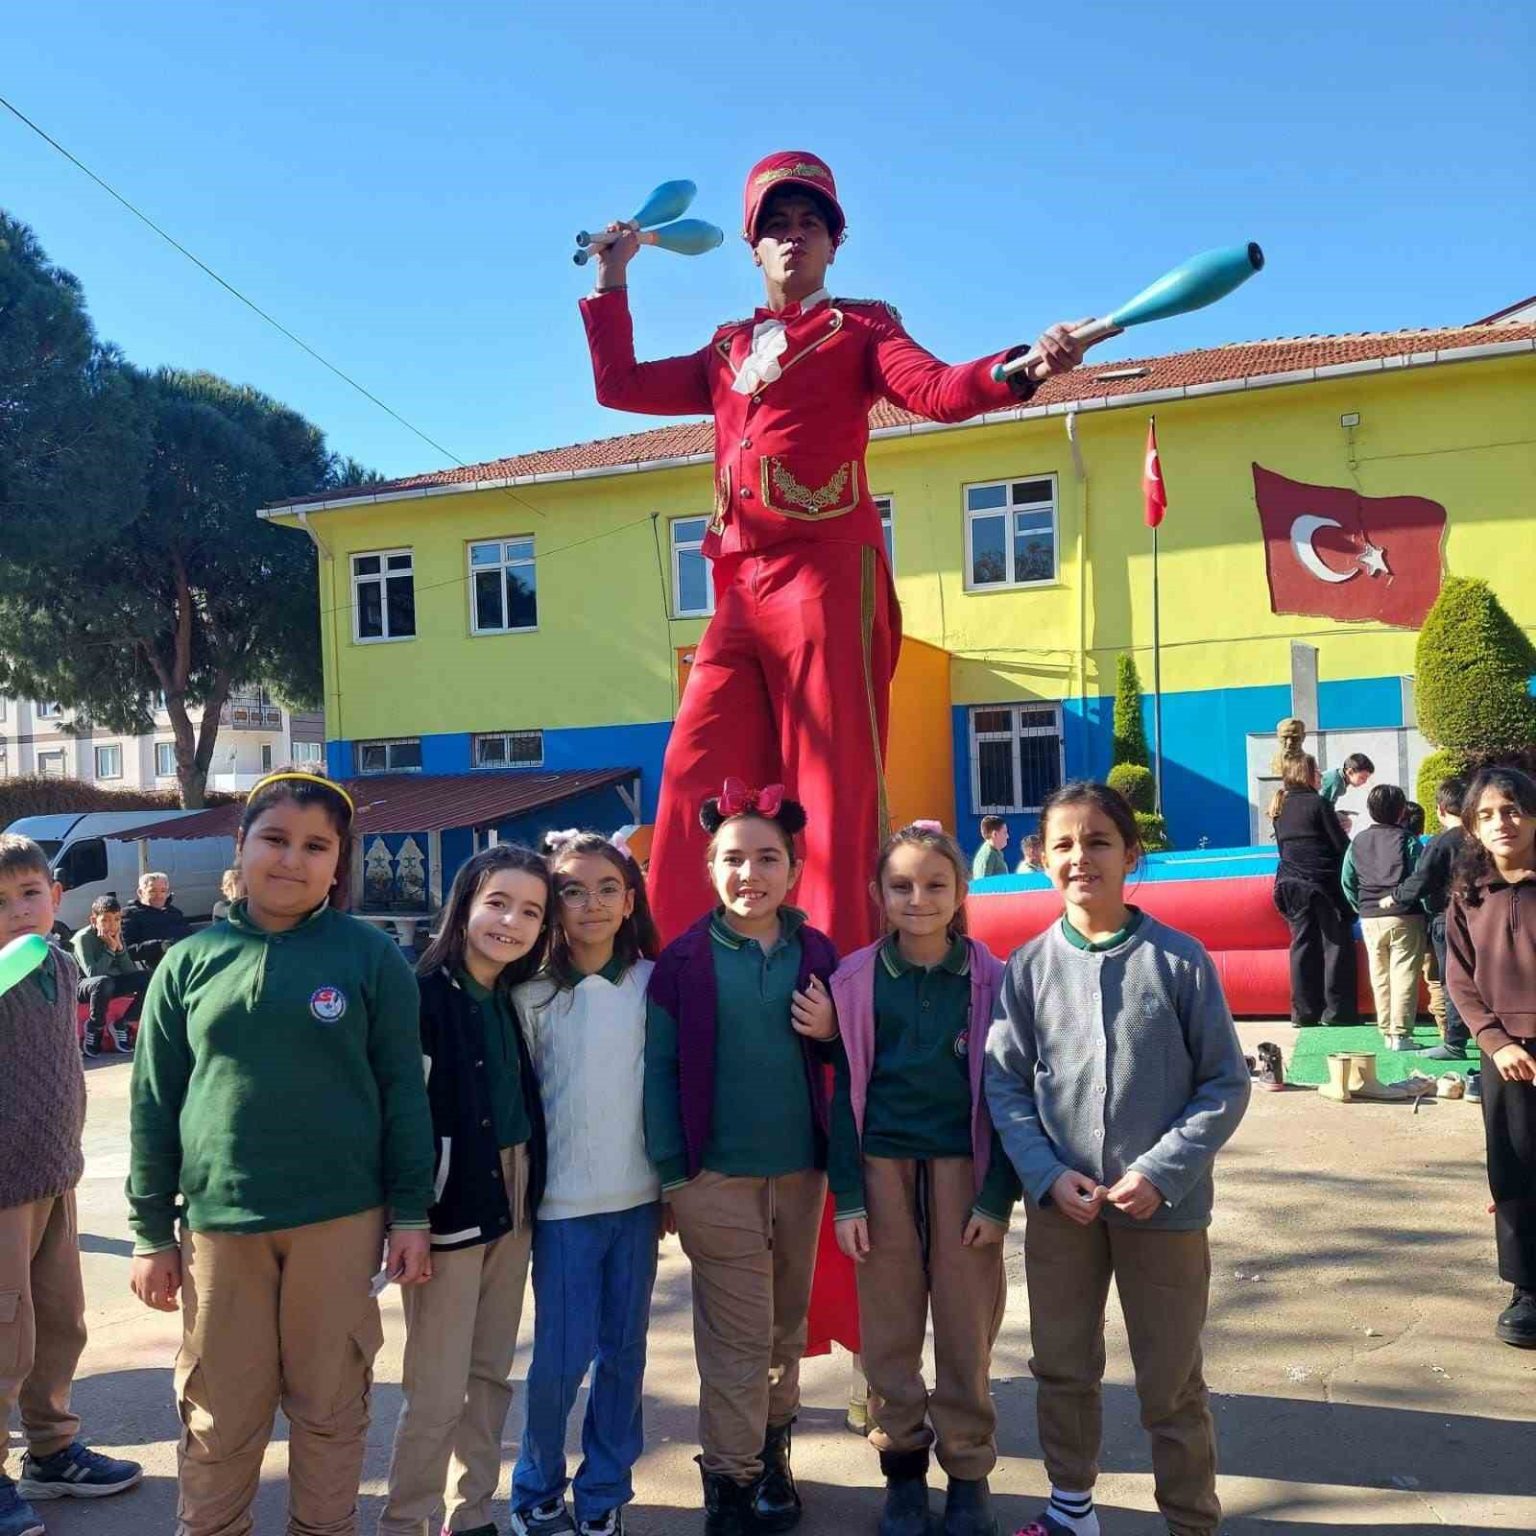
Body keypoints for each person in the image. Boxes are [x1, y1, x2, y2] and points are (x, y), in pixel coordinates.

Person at [580, 149, 1086, 959]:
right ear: (752, 246)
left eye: (809, 224)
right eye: (776, 225)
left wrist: (1021, 368)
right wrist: (613, 280)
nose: (793, 237)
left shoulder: (862, 328)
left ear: (834, 243)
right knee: (694, 774)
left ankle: (837, 972)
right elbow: (620, 384)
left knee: (830, 786)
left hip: (824, 574)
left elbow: (938, 390)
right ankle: (680, 969)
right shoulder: (725, 348)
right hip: (739, 586)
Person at [128, 770, 436, 1536]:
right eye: (274, 839)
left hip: (340, 1220)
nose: (292, 859)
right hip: (219, 1228)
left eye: (315, 846)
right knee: (219, 1413)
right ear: (241, 845)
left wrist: (411, 1214)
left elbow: (404, 1093)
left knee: (331, 1407)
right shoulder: (189, 962)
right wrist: (149, 1232)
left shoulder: (372, 958)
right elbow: (153, 1104)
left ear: (338, 864)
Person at [986, 782, 1250, 1536]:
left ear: (1132, 854)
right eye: (1063, 844)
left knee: (1171, 1379)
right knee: (1062, 1364)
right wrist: (1045, 1174)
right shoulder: (1028, 967)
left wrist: (1162, 1172)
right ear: (1042, 860)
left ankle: (1190, 1520)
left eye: (1099, 841)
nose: (1081, 857)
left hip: (1164, 1212)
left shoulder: (1179, 960)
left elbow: (1224, 1084)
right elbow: (1005, 1084)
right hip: (1062, 1210)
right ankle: (1071, 1506)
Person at [644, 784, 839, 1536]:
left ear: (794, 869)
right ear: (709, 868)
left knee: (786, 1326)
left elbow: (853, 1059)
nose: (748, 874)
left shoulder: (817, 952)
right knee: (737, 1336)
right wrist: (675, 1177)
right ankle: (728, 1482)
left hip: (800, 1172)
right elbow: (660, 1071)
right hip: (714, 1177)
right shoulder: (685, 961)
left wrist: (831, 1032)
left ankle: (771, 1453)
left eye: (766, 858)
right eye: (732, 859)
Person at [829, 822, 1020, 1536]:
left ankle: (968, 1473)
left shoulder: (995, 980)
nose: (919, 899)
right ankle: (903, 1469)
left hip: (965, 1173)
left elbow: (1014, 1097)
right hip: (881, 1170)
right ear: (877, 893)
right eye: (901, 885)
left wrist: (997, 1198)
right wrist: (848, 1198)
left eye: (936, 884)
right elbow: (841, 1095)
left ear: (962, 890)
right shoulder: (853, 981)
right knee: (889, 1331)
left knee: (967, 1331)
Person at [380, 844, 553, 1536]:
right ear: (464, 906)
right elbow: (400, 1112)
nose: (512, 922)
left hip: (515, 1189)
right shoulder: (420, 993)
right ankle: (406, 1520)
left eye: (531, 911)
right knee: (437, 1381)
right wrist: (408, 1214)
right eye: (498, 903)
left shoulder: (515, 996)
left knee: (490, 1371)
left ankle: (472, 1510)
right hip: (447, 1201)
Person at [510, 832, 663, 1536]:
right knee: (559, 1359)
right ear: (554, 905)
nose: (591, 904)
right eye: (572, 890)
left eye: (607, 889)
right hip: (562, 1208)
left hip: (637, 1202)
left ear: (630, 901)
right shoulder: (531, 995)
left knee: (623, 1355)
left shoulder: (653, 984)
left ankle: (604, 1491)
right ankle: (536, 1487)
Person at [0, 835, 143, 1536]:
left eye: (30, 894)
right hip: (2, 1186)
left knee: (60, 1322)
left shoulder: (59, 964)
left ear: (56, 898)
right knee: (5, 1333)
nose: (17, 911)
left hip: (55, 1171)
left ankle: (52, 1450)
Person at [1445, 766, 1536, 1349]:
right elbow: (1459, 977)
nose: (1501, 822)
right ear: (1473, 828)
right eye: (1486, 815)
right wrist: (1494, 1040)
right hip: (1503, 1055)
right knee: (1514, 1169)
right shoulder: (1468, 895)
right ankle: (1528, 1287)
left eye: (1512, 809)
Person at [1268, 755, 1358, 1027]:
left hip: (1290, 883)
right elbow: (1340, 846)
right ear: (1306, 775)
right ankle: (1337, 1011)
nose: (1321, 775)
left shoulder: (1280, 806)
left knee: (1302, 944)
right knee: (1335, 942)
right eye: (1316, 771)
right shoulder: (1318, 803)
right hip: (1322, 882)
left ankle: (1303, 1012)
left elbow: (1283, 849)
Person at [1343, 783, 1427, 1051]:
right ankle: (1401, 1035)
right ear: (1401, 811)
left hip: (1369, 917)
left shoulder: (1358, 841)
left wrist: (1361, 907)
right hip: (1405, 916)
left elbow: (1347, 880)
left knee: (1379, 975)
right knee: (1404, 974)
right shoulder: (1408, 840)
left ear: (1370, 810)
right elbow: (1421, 877)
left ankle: (1386, 1031)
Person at [1391, 778, 1470, 1061]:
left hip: (1447, 918)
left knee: (1452, 980)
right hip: (1482, 917)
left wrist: (1396, 897)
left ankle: (1455, 1041)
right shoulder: (1479, 838)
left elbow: (1422, 879)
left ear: (1440, 809)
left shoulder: (1442, 842)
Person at [71, 894, 151, 1056]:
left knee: (148, 978)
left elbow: (130, 972)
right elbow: (93, 973)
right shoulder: (83, 938)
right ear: (94, 920)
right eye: (106, 920)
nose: (112, 925)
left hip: (111, 983)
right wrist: (110, 949)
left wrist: (120, 949)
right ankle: (95, 1027)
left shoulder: (116, 934)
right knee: (103, 982)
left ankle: (123, 1024)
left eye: (117, 919)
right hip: (84, 986)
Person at [119, 871, 191, 969]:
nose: (159, 896)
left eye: (163, 891)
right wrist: (159, 946)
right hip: (152, 968)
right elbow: (125, 951)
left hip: (182, 962)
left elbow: (190, 937)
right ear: (140, 892)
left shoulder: (174, 913)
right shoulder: (130, 915)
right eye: (152, 891)